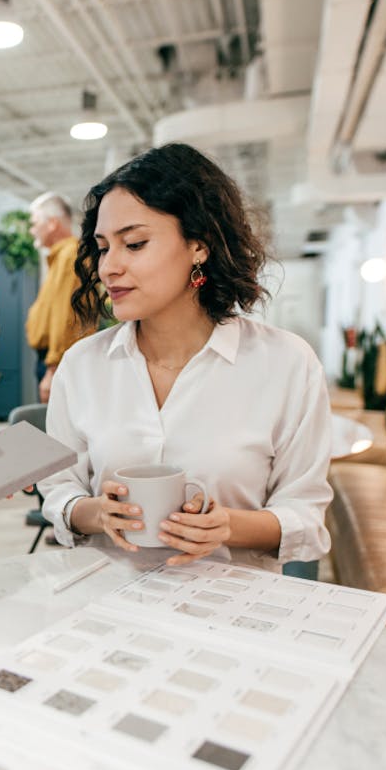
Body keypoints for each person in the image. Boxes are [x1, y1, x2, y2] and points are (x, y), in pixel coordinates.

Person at [40, 142, 332, 572]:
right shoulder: (83, 365)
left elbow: (305, 517)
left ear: (199, 245)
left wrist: (226, 526)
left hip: (232, 609)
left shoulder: (286, 363)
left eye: (134, 244)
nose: (108, 268)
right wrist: (95, 513)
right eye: (103, 248)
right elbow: (59, 491)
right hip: (108, 601)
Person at [25, 192, 92, 402]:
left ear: (52, 223)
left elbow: (65, 317)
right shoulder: (60, 256)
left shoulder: (70, 255)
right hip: (55, 359)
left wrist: (53, 369)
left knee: (57, 431)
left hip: (59, 361)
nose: (32, 230)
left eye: (35, 223)